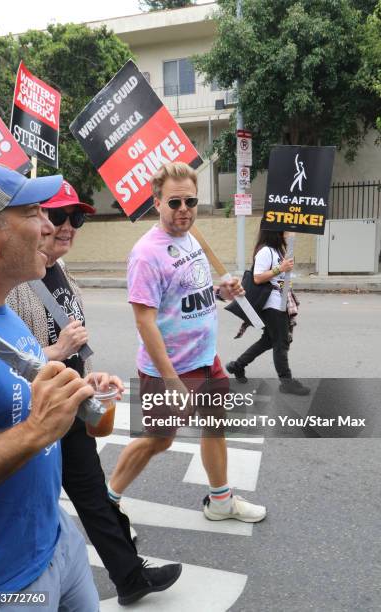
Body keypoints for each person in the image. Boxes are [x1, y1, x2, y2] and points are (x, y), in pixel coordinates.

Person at [6, 179, 182, 607]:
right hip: (36, 417)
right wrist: (57, 351)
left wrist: (89, 380)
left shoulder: (63, 275)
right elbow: (6, 363)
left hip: (71, 406)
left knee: (92, 494)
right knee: (32, 507)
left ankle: (129, 576)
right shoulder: (14, 283)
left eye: (78, 217)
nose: (68, 227)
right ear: (39, 220)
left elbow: (69, 355)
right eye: (60, 215)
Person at [107, 161, 267, 523]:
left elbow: (186, 296)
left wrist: (220, 292)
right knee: (158, 439)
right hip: (170, 368)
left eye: (190, 202)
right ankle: (107, 500)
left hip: (204, 358)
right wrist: (170, 380)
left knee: (214, 425)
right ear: (157, 202)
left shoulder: (191, 238)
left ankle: (221, 501)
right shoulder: (147, 254)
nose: (184, 210)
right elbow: (144, 320)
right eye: (175, 203)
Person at [0, 160, 99, 612]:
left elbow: (18, 400)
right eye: (32, 212)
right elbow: (30, 428)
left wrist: (78, 395)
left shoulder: (4, 312)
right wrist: (34, 431)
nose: (48, 225)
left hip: (57, 540)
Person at [226, 228, 310, 395]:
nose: (288, 230)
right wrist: (281, 268)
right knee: (281, 342)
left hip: (281, 301)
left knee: (269, 340)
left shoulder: (279, 250)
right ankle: (287, 382)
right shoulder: (266, 251)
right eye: (285, 227)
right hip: (271, 303)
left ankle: (237, 365)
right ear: (275, 231)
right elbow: (257, 277)